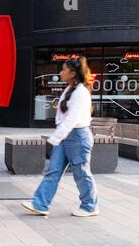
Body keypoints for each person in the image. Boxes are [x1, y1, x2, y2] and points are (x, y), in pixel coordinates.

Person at [22, 56, 99, 217]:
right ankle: (40, 204)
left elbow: (71, 119)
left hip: (78, 137)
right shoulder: (70, 89)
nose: (60, 72)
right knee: (53, 171)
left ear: (72, 73)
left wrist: (55, 138)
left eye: (64, 69)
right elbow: (63, 118)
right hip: (66, 136)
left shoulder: (80, 92)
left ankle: (90, 206)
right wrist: (59, 137)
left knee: (81, 173)